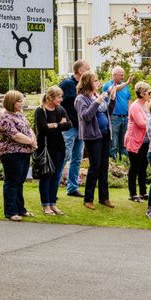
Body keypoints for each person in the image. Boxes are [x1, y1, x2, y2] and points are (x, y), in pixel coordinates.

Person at [75, 71, 117, 209]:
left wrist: (112, 99)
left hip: (105, 134)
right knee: (95, 167)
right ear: (88, 83)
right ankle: (88, 199)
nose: (98, 83)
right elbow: (85, 116)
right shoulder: (81, 99)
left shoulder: (96, 95)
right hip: (93, 136)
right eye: (95, 80)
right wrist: (97, 102)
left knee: (104, 166)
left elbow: (108, 112)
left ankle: (104, 197)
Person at [0, 90, 37, 221]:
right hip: (11, 152)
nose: (21, 103)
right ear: (11, 102)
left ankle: (21, 209)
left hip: (24, 152)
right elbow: (15, 135)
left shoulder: (19, 114)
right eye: (19, 101)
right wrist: (31, 141)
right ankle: (11, 211)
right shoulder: (4, 117)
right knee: (12, 181)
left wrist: (33, 139)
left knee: (20, 181)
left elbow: (28, 128)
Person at [34, 86, 72, 215]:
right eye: (59, 97)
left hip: (59, 147)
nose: (61, 99)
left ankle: (53, 203)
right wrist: (59, 124)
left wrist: (55, 125)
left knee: (56, 176)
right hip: (45, 148)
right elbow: (43, 128)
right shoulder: (40, 111)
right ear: (50, 97)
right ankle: (46, 205)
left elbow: (69, 125)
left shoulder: (60, 109)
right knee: (46, 176)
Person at [59, 59, 91, 197]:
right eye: (87, 68)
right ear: (80, 71)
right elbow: (56, 100)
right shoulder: (67, 84)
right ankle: (53, 186)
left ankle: (72, 188)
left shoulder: (85, 86)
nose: (90, 70)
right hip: (69, 127)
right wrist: (61, 119)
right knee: (64, 156)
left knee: (77, 158)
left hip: (81, 127)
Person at [124, 81, 151, 202]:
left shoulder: (146, 105)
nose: (150, 95)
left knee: (143, 167)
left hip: (145, 141)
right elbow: (141, 123)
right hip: (135, 140)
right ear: (142, 93)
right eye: (149, 92)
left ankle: (143, 192)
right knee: (134, 167)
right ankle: (132, 193)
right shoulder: (135, 106)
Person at [102, 66, 133, 161]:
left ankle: (124, 163)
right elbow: (114, 90)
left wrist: (130, 115)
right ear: (114, 75)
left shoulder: (125, 86)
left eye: (123, 75)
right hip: (114, 117)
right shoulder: (107, 85)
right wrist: (127, 82)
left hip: (125, 117)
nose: (123, 77)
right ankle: (114, 163)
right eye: (121, 75)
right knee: (113, 143)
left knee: (124, 143)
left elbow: (128, 100)